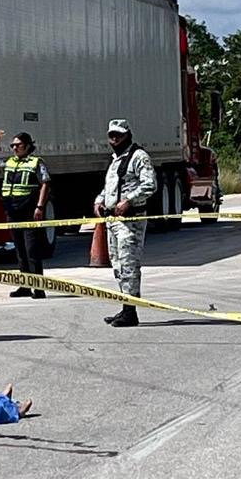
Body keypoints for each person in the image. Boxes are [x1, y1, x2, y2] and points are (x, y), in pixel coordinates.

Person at [94, 119, 157, 328]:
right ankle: (125, 306)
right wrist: (100, 200)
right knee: (118, 265)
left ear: (127, 135)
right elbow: (110, 188)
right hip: (113, 220)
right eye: (111, 135)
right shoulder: (115, 159)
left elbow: (150, 185)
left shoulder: (138, 157)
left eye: (118, 135)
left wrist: (129, 201)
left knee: (129, 265)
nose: (114, 139)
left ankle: (131, 312)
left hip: (131, 221)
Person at [0, 131, 52, 298]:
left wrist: (40, 206)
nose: (14, 148)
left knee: (31, 250)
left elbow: (45, 183)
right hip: (13, 211)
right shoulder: (10, 162)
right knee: (20, 250)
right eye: (12, 145)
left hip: (29, 211)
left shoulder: (36, 162)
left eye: (18, 145)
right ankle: (25, 286)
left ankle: (39, 288)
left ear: (27, 146)